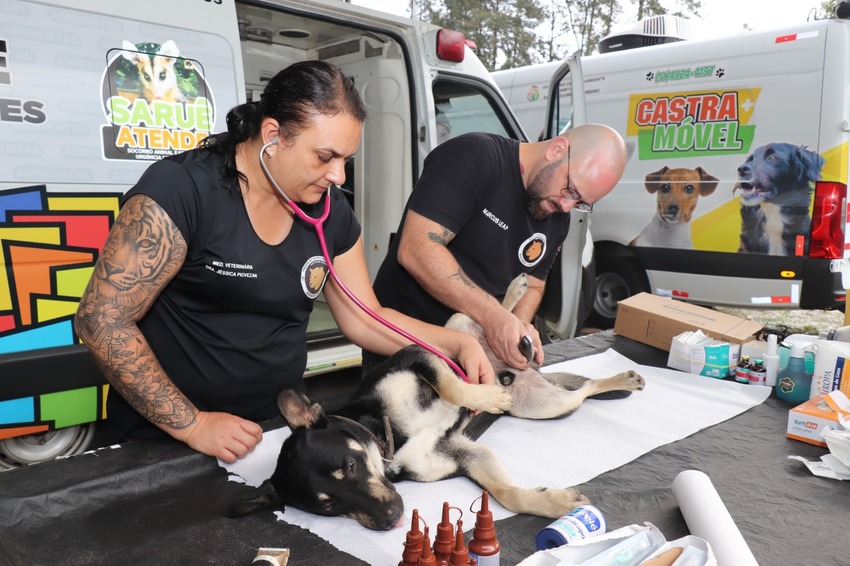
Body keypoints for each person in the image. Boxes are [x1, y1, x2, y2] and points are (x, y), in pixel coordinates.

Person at [74, 61, 495, 464]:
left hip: (273, 431)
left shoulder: (329, 213)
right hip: (165, 439)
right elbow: (101, 319)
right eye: (325, 157)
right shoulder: (182, 191)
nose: (339, 177)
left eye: (346, 160)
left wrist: (453, 343)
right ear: (273, 135)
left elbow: (367, 319)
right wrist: (192, 424)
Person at [366, 124, 628, 372]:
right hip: (402, 345)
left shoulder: (558, 217)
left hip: (471, 358)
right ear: (556, 149)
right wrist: (493, 317)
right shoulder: (476, 157)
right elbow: (417, 248)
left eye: (581, 202)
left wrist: (519, 325)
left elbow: (533, 285)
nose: (568, 206)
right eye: (571, 190)